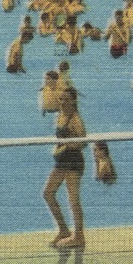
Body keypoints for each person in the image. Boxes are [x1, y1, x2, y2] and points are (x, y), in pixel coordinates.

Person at [43, 87, 86, 249]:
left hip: (74, 161)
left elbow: (82, 142)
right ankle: (63, 229)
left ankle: (79, 236)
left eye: (66, 99)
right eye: (60, 99)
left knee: (73, 199)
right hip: (62, 160)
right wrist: (58, 149)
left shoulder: (75, 119)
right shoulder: (60, 116)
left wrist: (65, 146)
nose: (62, 102)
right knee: (48, 193)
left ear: (73, 101)